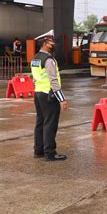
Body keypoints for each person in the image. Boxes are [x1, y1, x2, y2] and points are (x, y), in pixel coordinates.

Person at [31, 30, 68, 161]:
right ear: (45, 43)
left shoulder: (35, 58)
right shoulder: (48, 60)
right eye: (51, 41)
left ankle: (38, 150)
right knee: (50, 124)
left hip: (38, 93)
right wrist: (62, 99)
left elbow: (35, 78)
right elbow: (53, 80)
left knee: (40, 122)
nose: (53, 44)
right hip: (49, 95)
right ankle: (50, 153)